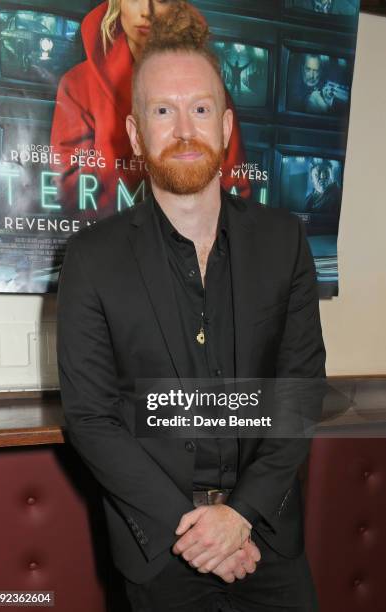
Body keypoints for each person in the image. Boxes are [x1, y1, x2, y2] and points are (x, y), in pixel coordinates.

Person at [56, 10, 326, 612]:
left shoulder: (285, 242)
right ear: (134, 132)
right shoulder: (91, 260)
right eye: (162, 110)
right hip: (160, 548)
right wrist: (200, 531)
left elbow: (300, 391)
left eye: (200, 109)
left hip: (269, 539)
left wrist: (241, 517)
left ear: (227, 125)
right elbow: (91, 419)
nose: (183, 129)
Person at [50, 0, 250, 218]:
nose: (146, 11)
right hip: (112, 240)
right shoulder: (78, 84)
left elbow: (235, 184)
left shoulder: (210, 89)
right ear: (117, 4)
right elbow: (71, 188)